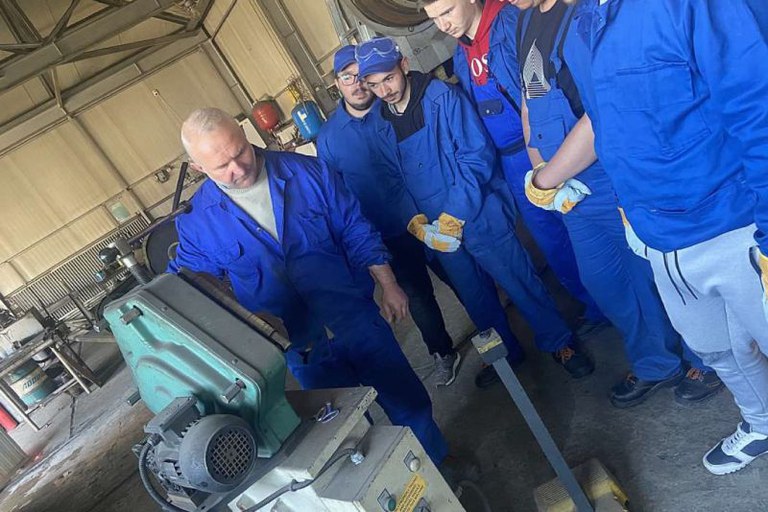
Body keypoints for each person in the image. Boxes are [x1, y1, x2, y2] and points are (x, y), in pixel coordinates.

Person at [507, 0, 766, 474]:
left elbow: (758, 110)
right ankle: (761, 421)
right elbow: (606, 126)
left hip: (731, 223)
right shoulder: (586, 24)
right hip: (661, 236)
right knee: (718, 349)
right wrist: (631, 208)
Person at [167, 107, 448, 464]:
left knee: (408, 403)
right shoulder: (196, 223)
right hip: (300, 346)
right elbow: (189, 287)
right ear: (197, 167)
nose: (238, 168)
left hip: (355, 317)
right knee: (345, 431)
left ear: (244, 134)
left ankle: (438, 469)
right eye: (222, 166)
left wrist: (389, 284)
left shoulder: (307, 173)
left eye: (240, 152)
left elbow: (355, 228)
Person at [487, 0, 724, 409]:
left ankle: (710, 358)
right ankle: (657, 363)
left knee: (661, 275)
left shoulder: (580, 16)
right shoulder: (525, 21)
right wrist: (538, 166)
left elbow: (600, 116)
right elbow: (530, 101)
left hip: (608, 178)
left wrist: (547, 178)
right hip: (570, 189)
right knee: (608, 284)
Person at [355, 36, 594, 389]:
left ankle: (560, 342)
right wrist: (416, 222)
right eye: (374, 85)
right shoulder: (379, 123)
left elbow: (476, 156)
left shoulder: (442, 98)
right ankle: (505, 354)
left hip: (478, 213)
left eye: (388, 78)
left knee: (519, 281)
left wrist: (456, 213)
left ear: (403, 65)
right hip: (436, 230)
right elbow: (390, 180)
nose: (384, 91)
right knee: (475, 298)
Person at [422, 0, 605, 336]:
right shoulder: (462, 53)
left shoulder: (511, 23)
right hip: (509, 161)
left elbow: (537, 94)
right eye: (435, 19)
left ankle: (614, 304)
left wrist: (545, 156)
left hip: (545, 146)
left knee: (585, 230)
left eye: (447, 12)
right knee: (552, 241)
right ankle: (594, 305)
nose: (443, 25)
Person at [316, 45, 461, 387]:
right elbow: (338, 199)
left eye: (362, 76)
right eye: (347, 77)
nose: (357, 84)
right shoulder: (329, 139)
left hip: (431, 215)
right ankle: (442, 352)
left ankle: (493, 325)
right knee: (419, 298)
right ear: (337, 83)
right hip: (389, 233)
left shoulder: (397, 108)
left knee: (462, 276)